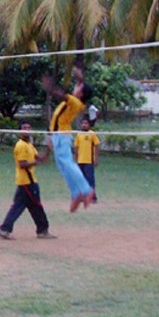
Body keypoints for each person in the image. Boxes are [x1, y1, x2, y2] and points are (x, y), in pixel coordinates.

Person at [43, 66, 95, 212]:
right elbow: (80, 89)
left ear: (81, 93)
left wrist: (50, 87)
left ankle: (86, 190)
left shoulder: (75, 102)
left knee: (68, 164)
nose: (75, 87)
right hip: (57, 135)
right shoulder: (77, 101)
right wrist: (80, 77)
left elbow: (61, 95)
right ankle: (76, 194)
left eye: (78, 87)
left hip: (62, 136)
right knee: (63, 167)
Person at [0, 121, 55, 240]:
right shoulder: (21, 145)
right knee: (31, 207)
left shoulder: (30, 145)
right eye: (24, 128)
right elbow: (23, 164)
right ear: (20, 131)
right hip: (26, 182)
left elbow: (41, 159)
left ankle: (41, 230)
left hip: (30, 182)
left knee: (32, 207)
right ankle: (6, 228)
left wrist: (48, 150)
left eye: (29, 127)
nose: (27, 130)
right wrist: (37, 162)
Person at [74, 115, 100, 203]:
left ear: (89, 125)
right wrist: (76, 159)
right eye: (83, 123)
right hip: (80, 161)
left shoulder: (92, 134)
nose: (84, 125)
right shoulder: (79, 135)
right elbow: (76, 148)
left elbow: (96, 146)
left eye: (86, 123)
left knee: (90, 179)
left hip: (89, 161)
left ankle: (93, 197)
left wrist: (96, 158)